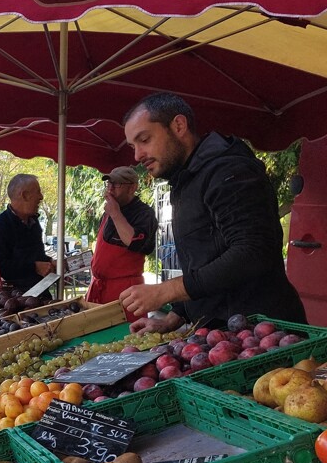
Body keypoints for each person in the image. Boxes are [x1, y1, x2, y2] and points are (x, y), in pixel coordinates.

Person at [118, 93, 306, 331]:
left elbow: (253, 250)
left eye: (144, 139)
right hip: (218, 336)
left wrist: (167, 290)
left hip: (264, 337)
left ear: (178, 125)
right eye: (133, 146)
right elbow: (202, 260)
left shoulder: (229, 170)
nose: (137, 156)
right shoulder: (185, 180)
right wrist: (175, 316)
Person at [85, 166, 158, 313]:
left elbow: (134, 241)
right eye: (109, 184)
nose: (110, 189)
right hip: (99, 288)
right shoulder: (109, 211)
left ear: (132, 188)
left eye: (116, 184)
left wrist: (116, 214)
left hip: (126, 292)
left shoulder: (144, 213)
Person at [0, 175, 53, 292]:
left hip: (41, 293)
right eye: (38, 192)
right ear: (24, 195)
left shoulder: (33, 222)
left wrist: (49, 262)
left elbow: (34, 256)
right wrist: (35, 267)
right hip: (14, 300)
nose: (41, 197)